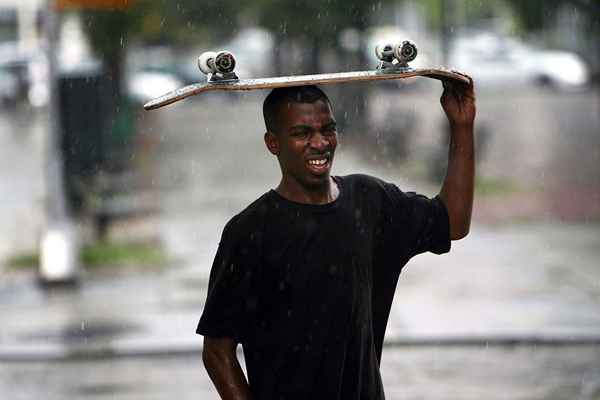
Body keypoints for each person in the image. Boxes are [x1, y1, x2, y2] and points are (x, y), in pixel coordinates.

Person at [197, 76, 476, 400]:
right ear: (273, 143)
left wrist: (462, 125)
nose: (320, 143)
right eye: (302, 133)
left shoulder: (370, 202)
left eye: (327, 129)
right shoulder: (250, 231)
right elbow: (217, 352)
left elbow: (453, 222)